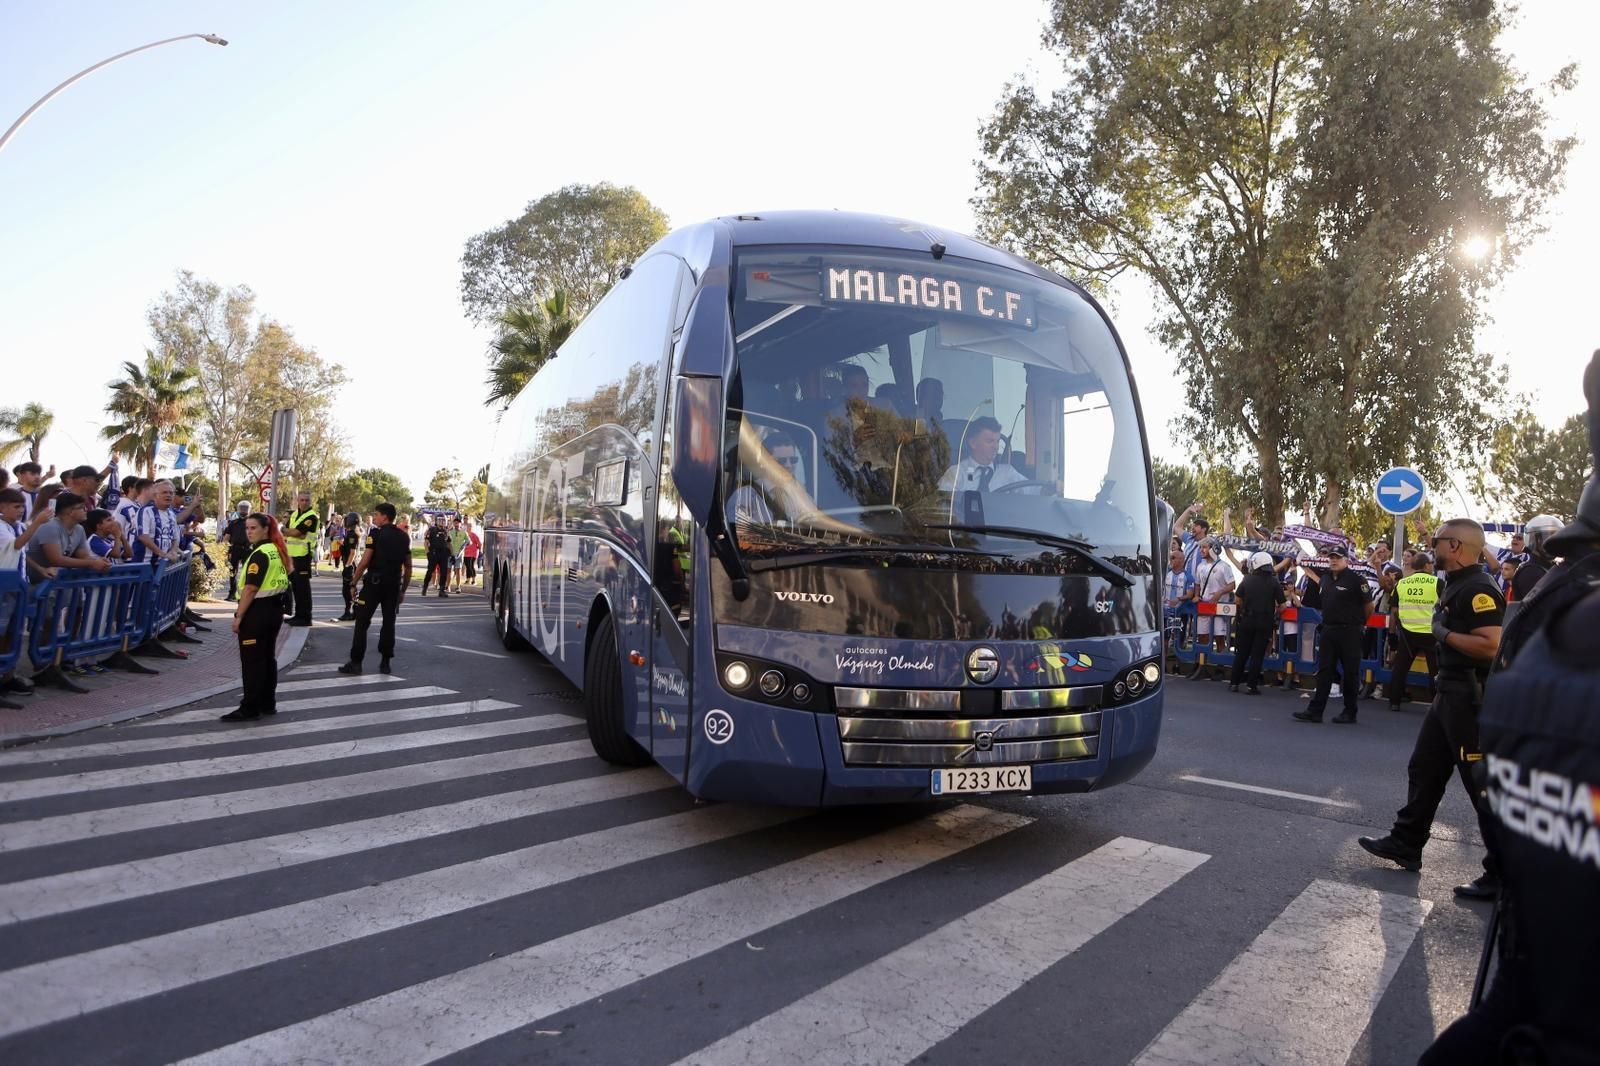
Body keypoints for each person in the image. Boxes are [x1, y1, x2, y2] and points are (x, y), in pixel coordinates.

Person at [1358, 519, 1504, 898]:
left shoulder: (1477, 588)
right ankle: (1406, 843)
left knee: (1481, 785)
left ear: (1454, 546)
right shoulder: (1454, 582)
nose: (1430, 546)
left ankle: (1504, 870)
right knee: (1424, 768)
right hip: (1449, 693)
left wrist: (1444, 634)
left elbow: (1491, 645)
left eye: (1436, 541)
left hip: (1468, 698)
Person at [220, 514, 291, 722]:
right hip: (274, 611)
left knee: (252, 662)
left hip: (257, 612)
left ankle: (250, 707)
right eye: (247, 528)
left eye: (253, 528)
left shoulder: (260, 554)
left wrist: (238, 617)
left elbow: (250, 589)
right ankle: (268, 703)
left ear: (266, 529)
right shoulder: (276, 549)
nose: (249, 532)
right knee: (267, 658)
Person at [1293, 544, 1371, 724]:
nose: (1334, 560)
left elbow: (1369, 607)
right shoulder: (1326, 579)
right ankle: (1315, 711)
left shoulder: (1356, 580)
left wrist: (1358, 624)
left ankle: (1350, 712)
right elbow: (1315, 579)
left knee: (1350, 673)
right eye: (1331, 557)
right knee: (1324, 671)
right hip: (1328, 630)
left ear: (1346, 560)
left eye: (1338, 557)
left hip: (1350, 631)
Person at [340, 502, 412, 675]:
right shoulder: (404, 537)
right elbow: (408, 566)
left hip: (374, 584)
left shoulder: (376, 534)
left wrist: (353, 582)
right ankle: (385, 662)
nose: (376, 518)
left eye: (377, 515)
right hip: (393, 585)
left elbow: (365, 561)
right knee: (389, 623)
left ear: (385, 517)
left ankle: (356, 663)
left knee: (362, 623)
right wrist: (403, 590)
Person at [0, 488, 52, 709]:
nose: (20, 511)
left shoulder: (18, 526)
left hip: (17, 587)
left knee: (14, 633)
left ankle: (7, 677)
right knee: (1, 633)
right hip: (3, 587)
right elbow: (17, 545)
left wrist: (40, 568)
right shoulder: (2, 527)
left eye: (22, 506)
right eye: (15, 506)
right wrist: (37, 523)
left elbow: (22, 554)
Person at [1386, 551, 1440, 711]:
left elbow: (1394, 611)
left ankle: (1394, 702)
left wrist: (1393, 634)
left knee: (1400, 669)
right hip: (1431, 633)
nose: (1432, 566)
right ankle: (1436, 704)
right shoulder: (1438, 583)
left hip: (1408, 632)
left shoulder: (1402, 584)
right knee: (1435, 671)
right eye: (1431, 564)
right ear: (1426, 566)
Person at [1229, 551, 1283, 694]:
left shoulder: (1247, 580)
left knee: (1242, 653)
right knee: (1257, 654)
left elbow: (1237, 599)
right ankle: (1251, 686)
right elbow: (1282, 604)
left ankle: (1234, 683)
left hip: (1247, 619)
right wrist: (1275, 612)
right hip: (1265, 621)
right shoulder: (1274, 582)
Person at [937, 416, 1027, 493]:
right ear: (973, 443)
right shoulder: (957, 474)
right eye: (989, 441)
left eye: (997, 441)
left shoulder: (1008, 473)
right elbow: (942, 505)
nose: (995, 446)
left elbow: (1037, 491)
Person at [282, 491, 319, 626]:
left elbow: (298, 533)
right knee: (296, 587)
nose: (304, 502)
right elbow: (287, 531)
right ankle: (298, 615)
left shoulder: (312, 517)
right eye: (302, 500)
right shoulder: (295, 515)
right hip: (292, 555)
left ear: (310, 502)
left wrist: (291, 531)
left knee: (303, 589)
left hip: (303, 556)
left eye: (306, 500)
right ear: (297, 501)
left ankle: (305, 618)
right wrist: (291, 532)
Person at [331, 511, 362, 621]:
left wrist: (348, 566)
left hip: (350, 565)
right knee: (351, 589)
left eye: (347, 519)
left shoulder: (353, 534)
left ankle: (349, 611)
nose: (345, 521)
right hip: (349, 564)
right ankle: (355, 611)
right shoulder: (351, 533)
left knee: (347, 590)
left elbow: (352, 552)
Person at [223, 502, 252, 601]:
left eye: (245, 508)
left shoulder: (252, 523)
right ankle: (232, 594)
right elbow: (227, 537)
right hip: (234, 549)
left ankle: (244, 595)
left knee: (247, 573)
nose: (243, 511)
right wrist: (225, 550)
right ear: (238, 509)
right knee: (232, 573)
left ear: (249, 509)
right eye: (241, 508)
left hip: (248, 550)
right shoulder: (233, 523)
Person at [420, 517, 452, 597]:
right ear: (437, 521)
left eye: (443, 520)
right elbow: (426, 542)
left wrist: (452, 554)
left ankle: (441, 590)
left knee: (444, 572)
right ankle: (425, 587)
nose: (442, 522)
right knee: (430, 571)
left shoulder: (446, 531)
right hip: (434, 553)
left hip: (443, 554)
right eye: (440, 520)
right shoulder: (432, 530)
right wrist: (428, 553)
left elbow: (449, 543)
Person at [462, 521, 481, 587]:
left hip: (473, 553)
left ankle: (473, 580)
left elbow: (479, 543)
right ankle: (468, 580)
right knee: (467, 566)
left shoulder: (474, 535)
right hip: (465, 553)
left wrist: (479, 549)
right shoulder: (464, 534)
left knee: (471, 566)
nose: (469, 528)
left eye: (470, 526)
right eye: (468, 526)